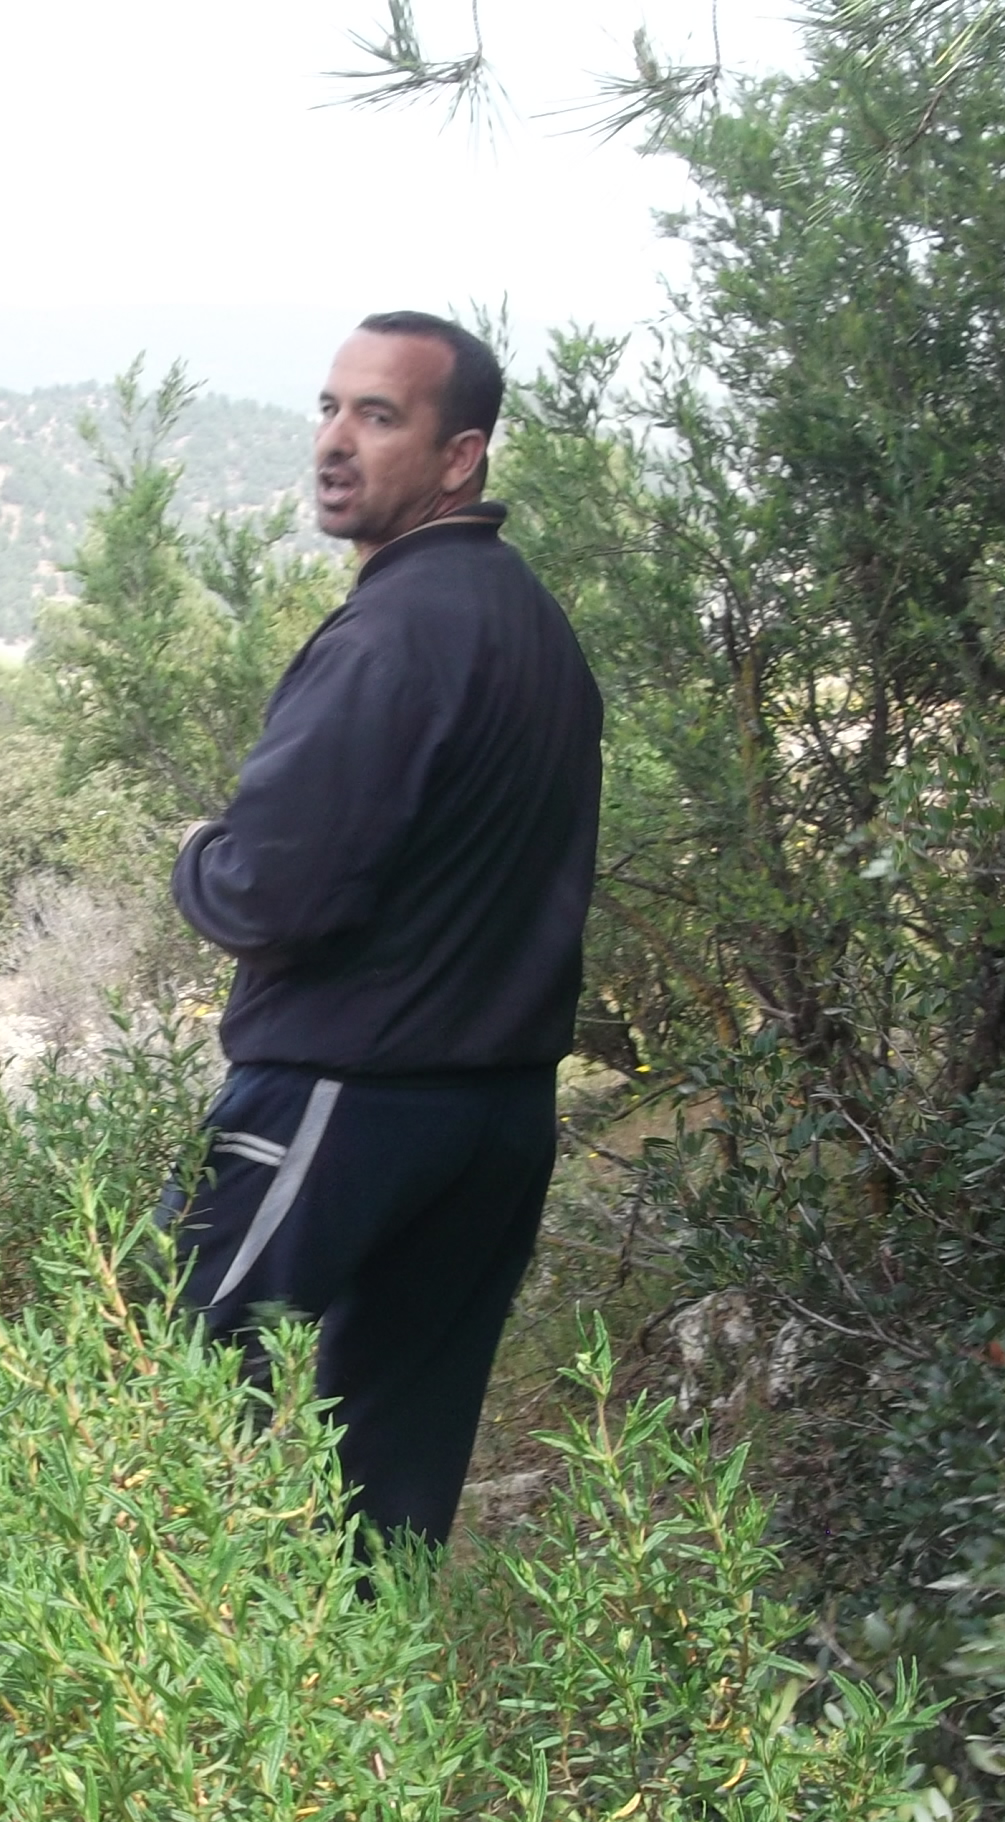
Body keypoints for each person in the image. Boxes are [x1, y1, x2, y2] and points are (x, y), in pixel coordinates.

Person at [168, 310, 604, 1551]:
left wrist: (198, 855)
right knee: (394, 1470)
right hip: (498, 1119)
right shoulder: (536, 628)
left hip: (343, 1097)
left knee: (155, 1387)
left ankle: (152, 1669)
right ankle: (358, 1674)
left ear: (461, 455)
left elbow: (274, 895)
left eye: (378, 416)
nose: (335, 442)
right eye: (329, 408)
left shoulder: (393, 634)